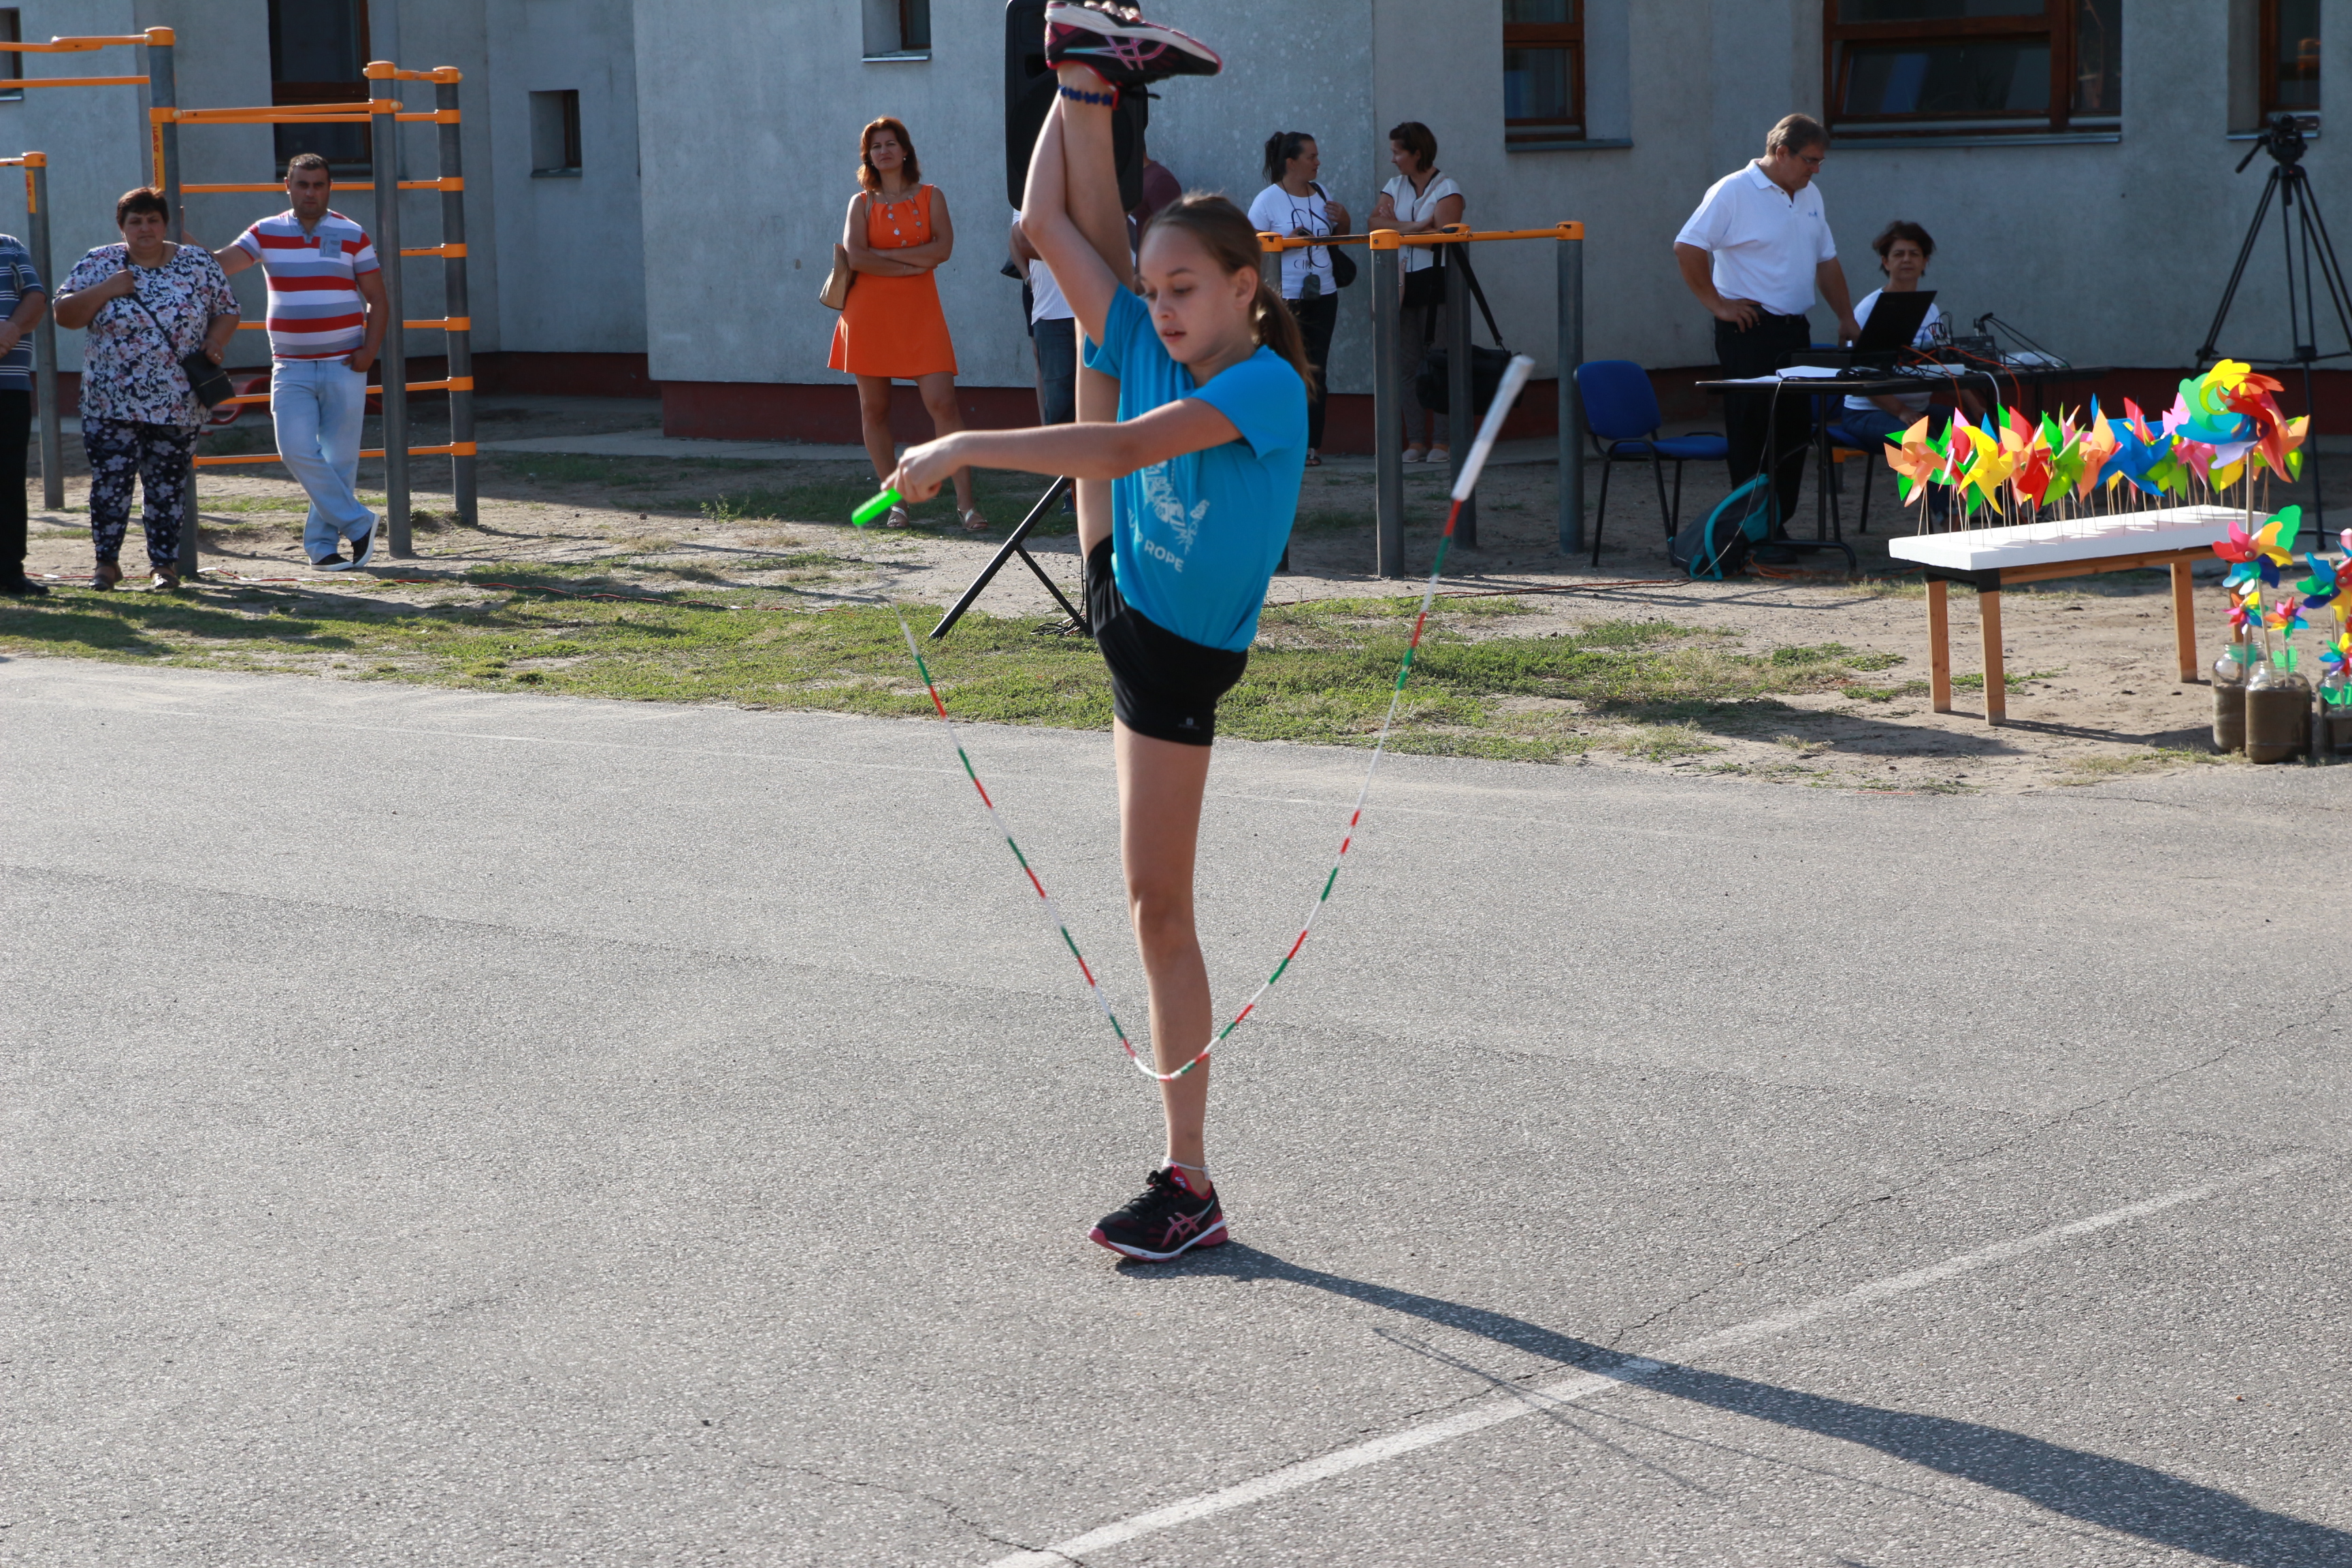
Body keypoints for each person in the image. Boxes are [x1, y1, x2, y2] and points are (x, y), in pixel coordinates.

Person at [888, 1, 1303, 1262]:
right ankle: (1087, 73)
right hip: (1117, 577)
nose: (1163, 309)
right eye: (1157, 289)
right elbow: (1040, 224)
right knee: (1067, 247)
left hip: (1172, 649)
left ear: (1245, 288)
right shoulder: (1145, 331)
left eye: (1187, 290)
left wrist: (961, 443)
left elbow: (1119, 446)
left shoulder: (1266, 383)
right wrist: (1062, 87)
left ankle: (1191, 1180)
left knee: (1158, 909)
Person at [1673, 113, 1860, 538]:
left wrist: (1846, 317)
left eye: (1820, 162)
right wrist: (1717, 305)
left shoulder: (1810, 194)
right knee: (1754, 434)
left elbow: (1826, 261)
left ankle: (1776, 526)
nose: (1816, 170)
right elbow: (1688, 247)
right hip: (1750, 332)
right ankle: (1749, 533)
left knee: (1792, 434)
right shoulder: (1733, 190)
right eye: (1810, 160)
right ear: (1781, 153)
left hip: (1795, 332)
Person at [52, 187, 239, 591]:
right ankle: (106, 564)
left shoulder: (197, 263)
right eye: (135, 221)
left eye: (153, 220)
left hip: (178, 401)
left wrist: (215, 341)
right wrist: (106, 289)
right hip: (110, 401)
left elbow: (227, 310)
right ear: (122, 227)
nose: (145, 229)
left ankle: (163, 566)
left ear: (165, 224)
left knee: (166, 486)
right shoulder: (99, 262)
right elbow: (64, 314)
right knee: (111, 483)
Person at [210, 152, 389, 571]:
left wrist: (369, 352)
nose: (311, 193)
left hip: (346, 363)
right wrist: (178, 238)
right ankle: (358, 522)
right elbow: (221, 265)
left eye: (318, 185)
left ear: (330, 187)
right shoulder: (265, 231)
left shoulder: (352, 233)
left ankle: (322, 548)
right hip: (290, 365)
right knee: (294, 449)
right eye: (303, 184)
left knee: (340, 461)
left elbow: (378, 299)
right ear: (287, 186)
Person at [828, 116, 985, 532]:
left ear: (905, 151)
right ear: (869, 157)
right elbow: (855, 256)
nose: (883, 151)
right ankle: (896, 503)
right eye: (875, 146)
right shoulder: (860, 203)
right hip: (868, 316)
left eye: (890, 144)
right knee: (875, 410)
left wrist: (886, 258)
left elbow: (943, 249)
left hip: (921, 313)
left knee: (944, 405)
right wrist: (908, 264)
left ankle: (967, 505)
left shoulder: (932, 196)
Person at [1837, 220, 1982, 524]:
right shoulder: (1868, 309)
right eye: (1899, 254)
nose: (1907, 260)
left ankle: (1987, 508)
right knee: (1921, 439)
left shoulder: (1930, 309)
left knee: (1969, 430)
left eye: (1914, 254)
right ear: (1885, 261)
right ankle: (1947, 517)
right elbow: (1862, 375)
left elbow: (1942, 366)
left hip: (1917, 410)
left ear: (1925, 261)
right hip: (1867, 414)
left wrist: (1975, 406)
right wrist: (1900, 410)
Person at [1248, 131, 1350, 466]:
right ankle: (1281, 442)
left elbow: (1338, 239)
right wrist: (1285, 241)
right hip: (1284, 296)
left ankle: (1311, 447)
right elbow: (1249, 246)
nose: (1318, 162)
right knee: (1284, 368)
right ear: (1291, 163)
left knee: (1317, 369)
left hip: (1323, 293)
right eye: (1312, 157)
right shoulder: (1267, 200)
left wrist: (1344, 220)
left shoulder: (1321, 193)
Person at [1369, 121, 1461, 463]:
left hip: (1437, 281)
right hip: (1401, 282)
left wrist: (1398, 228)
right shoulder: (1394, 185)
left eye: (1398, 152)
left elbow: (1442, 237)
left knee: (1439, 361)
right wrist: (1418, 226)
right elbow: (1373, 225)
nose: (1393, 159)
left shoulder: (1447, 187)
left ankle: (1443, 442)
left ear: (1417, 153)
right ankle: (1417, 441)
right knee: (1406, 364)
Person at [0, 227, 49, 596]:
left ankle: (9, 571)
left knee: (9, 480)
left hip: (11, 388)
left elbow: (36, 297)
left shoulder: (10, 247)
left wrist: (12, 328)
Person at [1011, 210, 1077, 428]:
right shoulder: (1031, 191)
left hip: (1098, 306)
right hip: (1052, 310)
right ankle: (1048, 440)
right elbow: (1022, 242)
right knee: (1058, 407)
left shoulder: (1095, 189)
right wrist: (1028, 278)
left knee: (1101, 406)